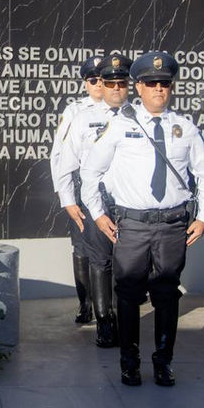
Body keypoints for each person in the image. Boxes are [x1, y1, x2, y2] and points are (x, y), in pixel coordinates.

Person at [80, 51, 204, 387]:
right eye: (152, 83)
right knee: (127, 294)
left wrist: (203, 217)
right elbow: (90, 171)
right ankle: (129, 361)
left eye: (165, 83)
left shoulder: (185, 128)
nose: (159, 89)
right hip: (133, 224)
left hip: (172, 224)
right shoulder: (120, 126)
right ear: (138, 86)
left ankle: (163, 361)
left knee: (167, 294)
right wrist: (98, 214)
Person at [51, 53, 132, 347]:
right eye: (94, 79)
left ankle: (117, 312)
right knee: (91, 252)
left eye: (108, 80)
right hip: (88, 194)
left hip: (124, 198)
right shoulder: (79, 114)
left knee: (124, 260)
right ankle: (98, 314)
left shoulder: (132, 113)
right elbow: (61, 157)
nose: (100, 85)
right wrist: (67, 197)